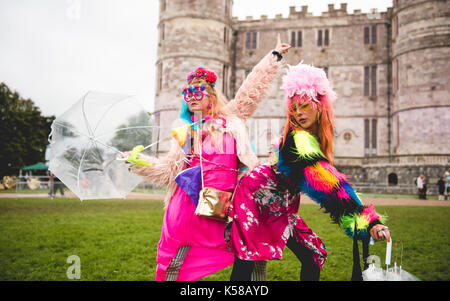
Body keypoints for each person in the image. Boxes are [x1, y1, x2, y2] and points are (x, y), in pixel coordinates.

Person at [127, 35, 291, 281]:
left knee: (251, 246)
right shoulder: (186, 132)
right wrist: (139, 163)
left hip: (233, 198)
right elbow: (169, 171)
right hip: (192, 201)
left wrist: (273, 57)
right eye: (187, 93)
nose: (192, 96)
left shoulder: (230, 117)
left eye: (197, 91)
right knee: (176, 253)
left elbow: (251, 91)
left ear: (211, 95)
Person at [227, 63, 390, 281]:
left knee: (313, 253)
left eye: (304, 106)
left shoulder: (313, 137)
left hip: (282, 201)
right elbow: (331, 186)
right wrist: (369, 221)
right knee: (248, 258)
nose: (298, 113)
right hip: (254, 196)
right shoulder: (297, 139)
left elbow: (327, 179)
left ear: (319, 105)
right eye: (294, 108)